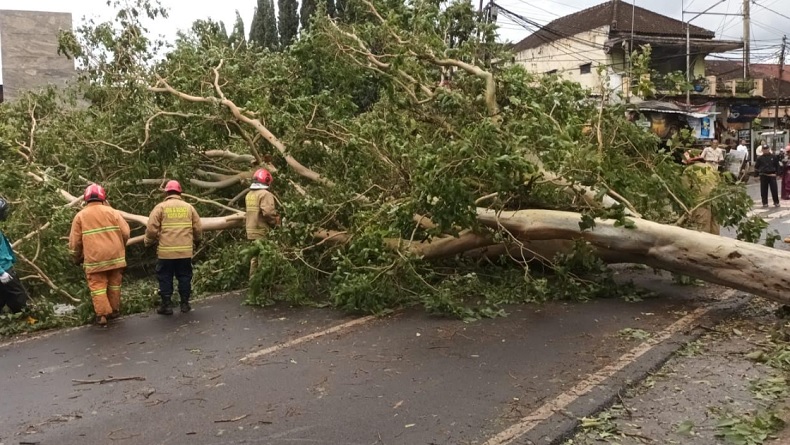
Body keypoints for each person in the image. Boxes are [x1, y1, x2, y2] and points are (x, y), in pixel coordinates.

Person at [69, 184, 130, 326]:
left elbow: (75, 242)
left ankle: (103, 315)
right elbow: (126, 232)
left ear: (86, 198)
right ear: (103, 197)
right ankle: (114, 311)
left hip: (94, 260)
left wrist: (76, 257)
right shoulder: (113, 212)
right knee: (114, 285)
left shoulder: (80, 216)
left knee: (98, 287)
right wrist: (120, 246)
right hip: (116, 257)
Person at [144, 180, 202, 315]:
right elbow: (198, 228)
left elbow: (151, 229)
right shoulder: (189, 208)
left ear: (166, 193)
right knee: (184, 276)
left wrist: (148, 242)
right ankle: (185, 304)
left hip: (166, 253)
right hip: (185, 252)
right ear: (180, 193)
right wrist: (197, 241)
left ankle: (167, 305)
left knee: (165, 277)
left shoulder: (160, 207)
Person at [245, 169, 280, 276]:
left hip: (251, 230)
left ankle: (253, 281)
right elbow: (268, 213)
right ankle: (263, 281)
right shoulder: (265, 194)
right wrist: (276, 222)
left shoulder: (249, 194)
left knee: (254, 258)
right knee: (264, 257)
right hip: (261, 230)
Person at [0, 198, 30, 314]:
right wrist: (1, 272)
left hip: (5, 266)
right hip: (4, 268)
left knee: (3, 296)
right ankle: (25, 317)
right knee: (18, 296)